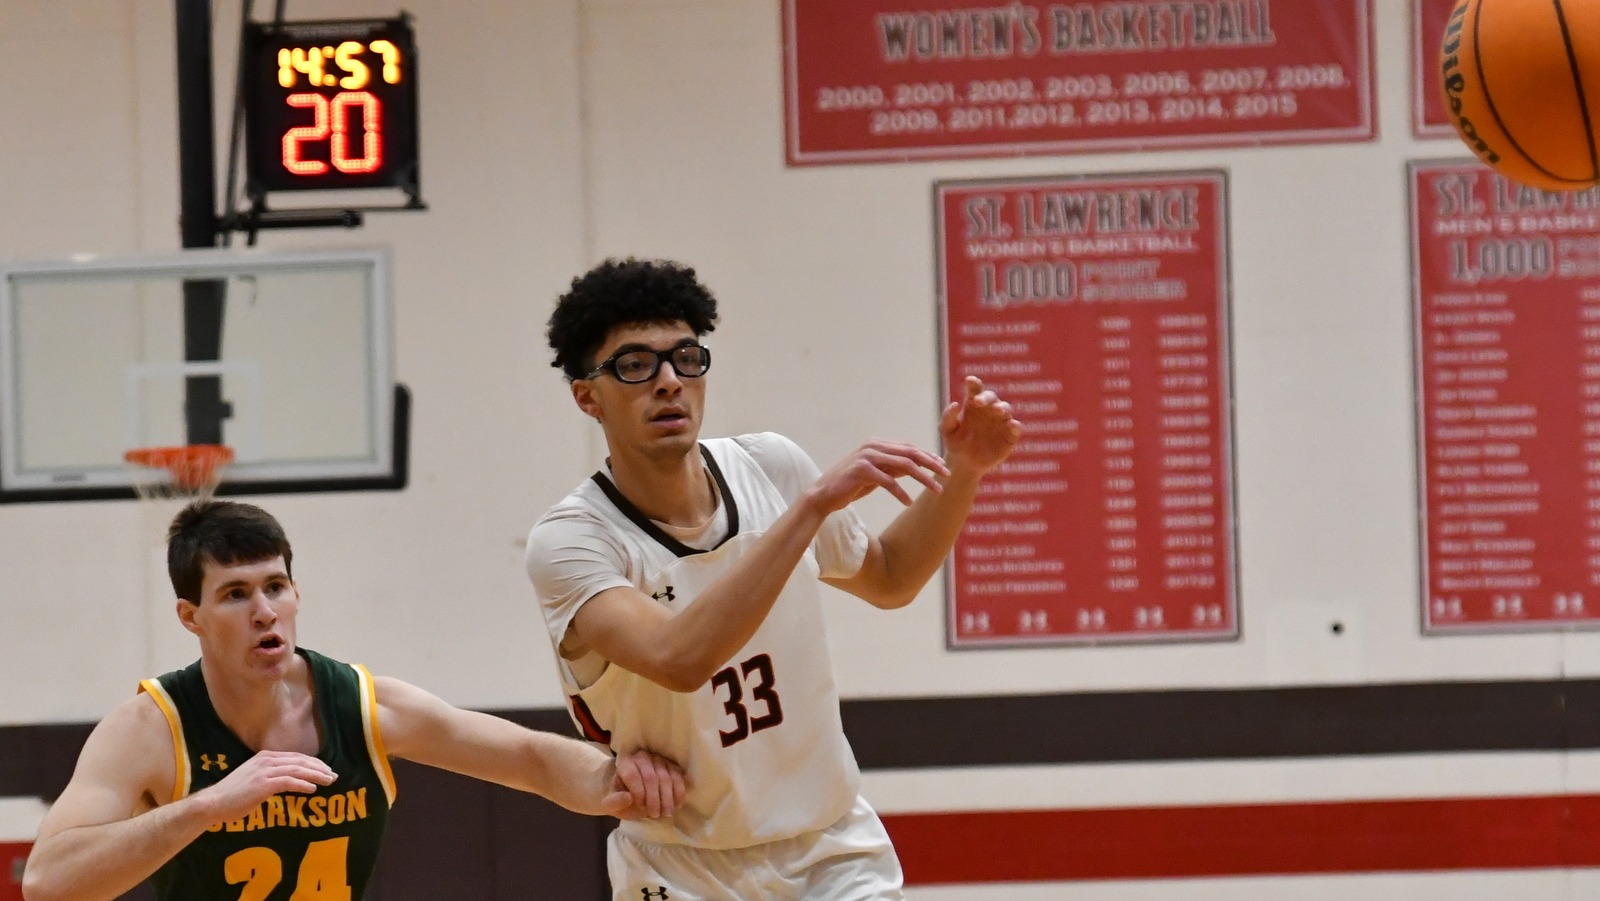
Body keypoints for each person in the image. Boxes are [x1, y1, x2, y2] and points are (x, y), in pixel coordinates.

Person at [526, 257, 1023, 899]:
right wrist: (811, 508)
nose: (669, 381)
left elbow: (892, 577)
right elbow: (679, 658)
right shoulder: (572, 540)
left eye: (686, 357)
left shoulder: (771, 467)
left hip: (830, 849)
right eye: (635, 365)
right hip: (682, 864)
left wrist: (966, 471)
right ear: (587, 396)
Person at [22, 499, 686, 901]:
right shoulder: (149, 729)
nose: (264, 611)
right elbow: (48, 882)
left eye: (275, 586)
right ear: (190, 616)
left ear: (297, 593)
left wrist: (613, 782)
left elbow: (526, 757)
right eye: (235, 594)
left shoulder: (363, 707)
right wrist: (209, 804)